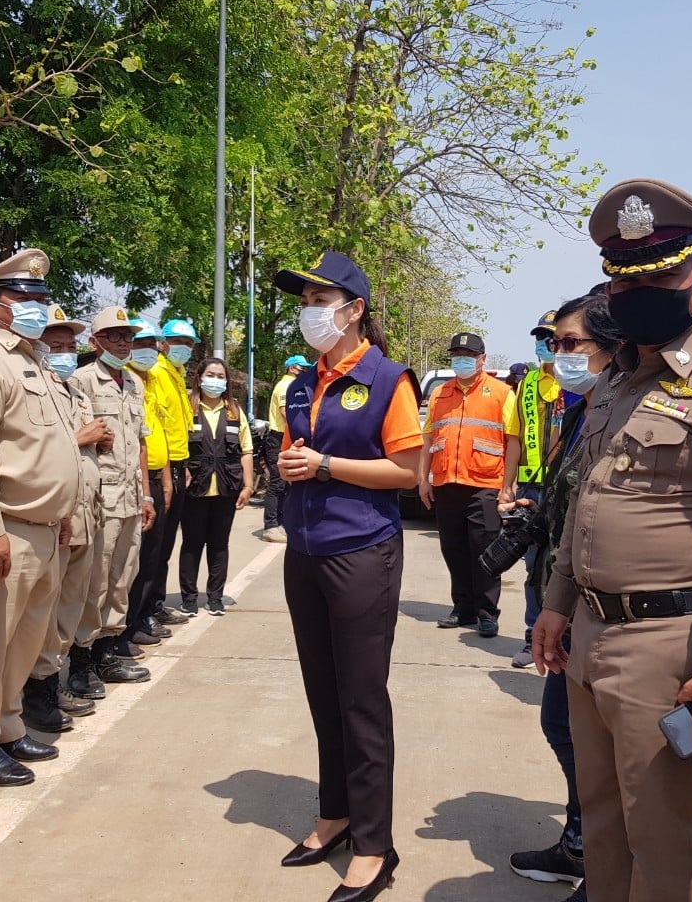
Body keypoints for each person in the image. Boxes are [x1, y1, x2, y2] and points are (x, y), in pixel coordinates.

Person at [533, 178, 692, 902]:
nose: (638, 295)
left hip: (667, 648)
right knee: (603, 826)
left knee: (662, 839)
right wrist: (557, 602)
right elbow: (584, 503)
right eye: (624, 281)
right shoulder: (616, 384)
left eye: (658, 278)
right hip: (588, 633)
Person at [272, 250, 422, 902]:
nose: (309, 312)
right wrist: (292, 465)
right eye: (304, 302)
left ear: (354, 309)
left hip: (362, 552)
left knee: (361, 700)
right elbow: (292, 452)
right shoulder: (302, 383)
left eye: (320, 301)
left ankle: (373, 845)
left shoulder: (387, 380)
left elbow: (407, 471)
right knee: (323, 691)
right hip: (304, 553)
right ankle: (334, 815)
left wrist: (326, 466)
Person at [0, 249, 82, 785]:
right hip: (7, 528)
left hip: (44, 529)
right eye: (23, 298)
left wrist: (63, 513)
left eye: (41, 298)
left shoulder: (36, 362)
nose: (36, 308)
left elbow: (50, 447)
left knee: (23, 642)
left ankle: (6, 726)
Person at [508, 291, 625, 902]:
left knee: (602, 744)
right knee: (563, 725)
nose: (559, 355)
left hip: (609, 611)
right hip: (566, 598)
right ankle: (583, 843)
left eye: (571, 343)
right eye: (554, 343)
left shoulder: (628, 411)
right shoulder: (583, 409)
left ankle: (606, 863)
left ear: (612, 346)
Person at [25, 306, 109, 728]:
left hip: (85, 512)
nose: (64, 353)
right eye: (55, 345)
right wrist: (81, 437)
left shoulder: (74, 392)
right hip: (56, 516)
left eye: (69, 345)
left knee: (73, 604)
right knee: (48, 610)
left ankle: (56, 680)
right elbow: (32, 449)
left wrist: (98, 441)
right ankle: (37, 691)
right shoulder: (35, 391)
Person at [71, 307, 155, 674]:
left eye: (128, 336)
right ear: (95, 341)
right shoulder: (81, 380)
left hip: (131, 496)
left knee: (122, 577)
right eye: (115, 336)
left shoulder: (134, 383)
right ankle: (81, 662)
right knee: (95, 581)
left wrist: (147, 494)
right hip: (99, 497)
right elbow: (73, 437)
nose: (123, 343)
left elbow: (140, 443)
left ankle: (107, 652)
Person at [419, 332, 520, 638]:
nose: (461, 360)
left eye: (468, 355)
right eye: (456, 355)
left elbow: (512, 443)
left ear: (482, 359)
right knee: (453, 549)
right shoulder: (439, 394)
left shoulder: (502, 393)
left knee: (485, 550)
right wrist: (423, 480)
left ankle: (487, 613)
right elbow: (428, 440)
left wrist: (508, 486)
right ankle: (462, 608)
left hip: (485, 484)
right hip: (447, 483)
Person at [179, 358, 255, 615]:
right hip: (194, 490)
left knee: (219, 545)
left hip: (226, 489)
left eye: (220, 376)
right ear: (199, 378)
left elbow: (246, 450)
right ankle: (189, 599)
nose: (215, 380)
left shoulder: (234, 411)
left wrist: (247, 486)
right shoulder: (187, 407)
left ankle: (215, 598)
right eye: (210, 374)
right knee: (192, 544)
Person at [137, 317, 198, 623]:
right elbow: (155, 426)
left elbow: (174, 426)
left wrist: (182, 466)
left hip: (175, 463)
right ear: (164, 344)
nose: (183, 348)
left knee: (164, 544)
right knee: (153, 546)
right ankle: (144, 610)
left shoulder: (176, 374)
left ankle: (155, 604)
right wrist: (167, 473)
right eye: (177, 342)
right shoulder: (157, 372)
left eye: (188, 344)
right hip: (163, 466)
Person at [511, 311, 562, 667]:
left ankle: (563, 638)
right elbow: (514, 435)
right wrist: (507, 485)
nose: (544, 344)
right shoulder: (527, 383)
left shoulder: (576, 383)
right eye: (540, 337)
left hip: (564, 488)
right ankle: (533, 637)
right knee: (533, 565)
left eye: (550, 338)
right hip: (531, 487)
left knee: (563, 564)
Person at [124, 318, 179, 644]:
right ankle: (128, 625)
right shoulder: (126, 381)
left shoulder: (153, 380)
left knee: (154, 557)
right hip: (133, 481)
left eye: (150, 344)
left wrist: (167, 478)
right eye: (139, 344)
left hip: (156, 477)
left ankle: (144, 615)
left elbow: (158, 434)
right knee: (135, 560)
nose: (147, 350)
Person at [263, 354, 314, 543]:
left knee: (285, 483)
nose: (305, 371)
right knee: (277, 483)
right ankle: (270, 526)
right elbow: (287, 413)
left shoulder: (293, 385)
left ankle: (281, 523)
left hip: (285, 436)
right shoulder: (285, 386)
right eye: (302, 368)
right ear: (292, 368)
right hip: (278, 438)